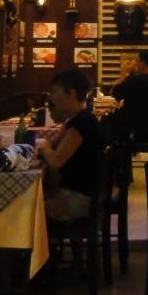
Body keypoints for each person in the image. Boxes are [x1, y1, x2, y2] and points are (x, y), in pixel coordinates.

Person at [39, 68, 105, 221]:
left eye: (54, 92)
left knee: (28, 209)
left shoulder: (82, 123)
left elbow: (55, 161)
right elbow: (56, 145)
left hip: (80, 201)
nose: (51, 98)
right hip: (79, 194)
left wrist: (44, 145)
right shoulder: (78, 119)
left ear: (71, 94)